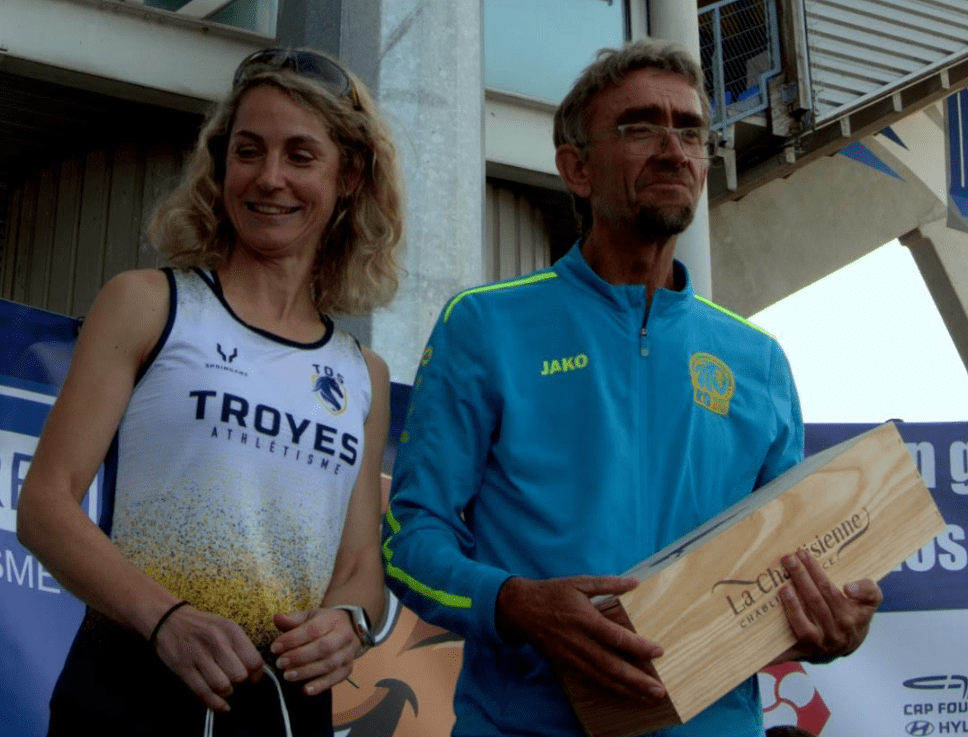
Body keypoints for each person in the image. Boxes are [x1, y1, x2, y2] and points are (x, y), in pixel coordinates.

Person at [382, 40, 882, 737]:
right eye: (641, 126)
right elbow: (409, 539)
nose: (674, 149)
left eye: (691, 131)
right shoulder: (485, 325)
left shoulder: (759, 360)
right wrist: (514, 602)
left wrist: (832, 622)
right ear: (576, 168)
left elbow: (785, 570)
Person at [17, 47, 404, 737]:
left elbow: (357, 568)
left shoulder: (361, 373)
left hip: (284, 711)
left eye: (301, 156)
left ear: (349, 176)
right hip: (127, 692)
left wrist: (348, 623)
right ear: (221, 164)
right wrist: (165, 618)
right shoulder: (147, 303)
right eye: (248, 151)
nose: (270, 177)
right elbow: (44, 506)